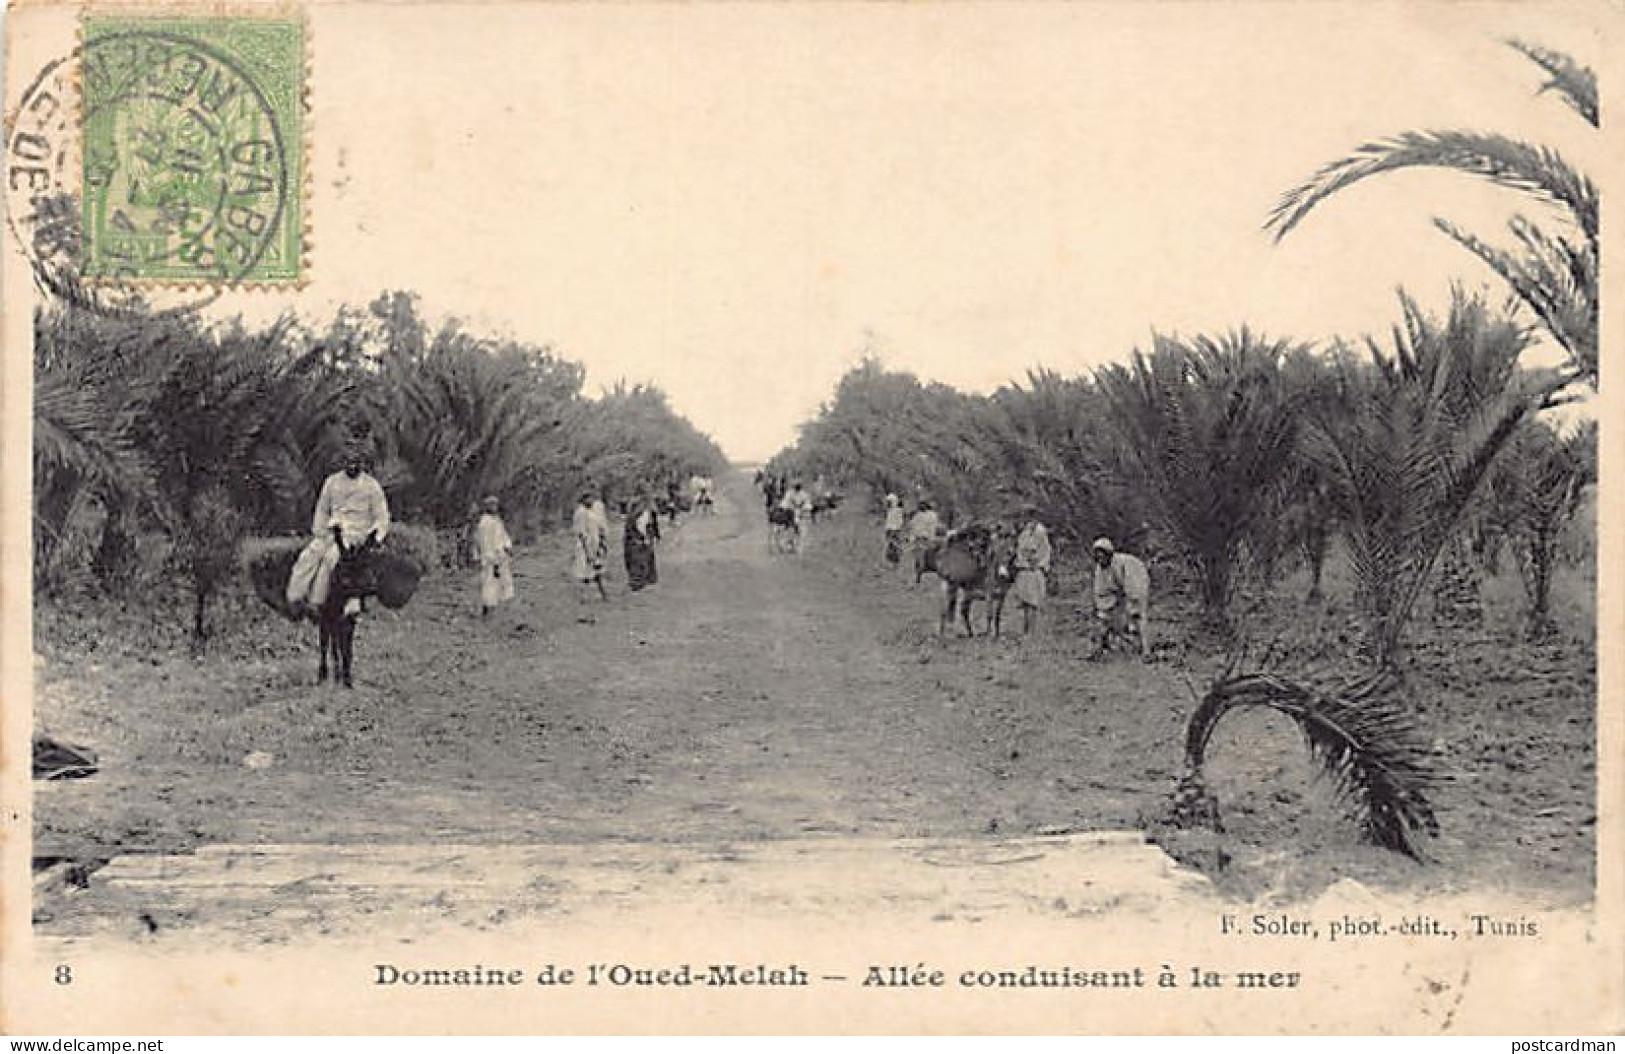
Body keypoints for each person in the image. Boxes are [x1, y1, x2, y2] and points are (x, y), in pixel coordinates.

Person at [287, 445, 390, 618]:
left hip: (356, 535)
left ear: (362, 464)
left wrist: (376, 536)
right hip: (332, 531)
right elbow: (322, 509)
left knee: (331, 558)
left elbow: (381, 516)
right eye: (348, 462)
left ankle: (316, 602)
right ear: (343, 463)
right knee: (308, 556)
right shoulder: (332, 482)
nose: (352, 466)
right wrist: (319, 531)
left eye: (356, 463)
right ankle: (295, 598)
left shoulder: (371, 486)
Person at [1091, 537, 1151, 660]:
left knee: (1137, 615)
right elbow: (1101, 592)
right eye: (1098, 556)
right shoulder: (1100, 569)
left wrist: (1130, 600)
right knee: (1106, 616)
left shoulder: (1126, 563)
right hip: (1118, 586)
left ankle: (1146, 649)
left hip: (1136, 577)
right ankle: (1103, 646)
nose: (1101, 559)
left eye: (1103, 555)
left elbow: (1133, 586)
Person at [1011, 509, 1052, 635]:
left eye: (1030, 516)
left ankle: (1032, 631)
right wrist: (1022, 561)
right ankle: (1024, 630)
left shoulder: (1040, 531)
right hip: (1024, 569)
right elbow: (1019, 549)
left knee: (1033, 601)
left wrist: (1039, 563)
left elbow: (1045, 549)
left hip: (1035, 569)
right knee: (1024, 601)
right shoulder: (1023, 531)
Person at [474, 496, 515, 617]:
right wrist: (493, 557)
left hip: (500, 555)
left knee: (500, 582)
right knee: (489, 582)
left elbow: (503, 536)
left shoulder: (496, 520)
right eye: (491, 505)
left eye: (495, 505)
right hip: (490, 557)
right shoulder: (485, 522)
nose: (494, 507)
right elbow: (485, 542)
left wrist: (507, 546)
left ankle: (496, 606)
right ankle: (487, 607)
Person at [572, 490, 609, 609]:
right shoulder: (581, 513)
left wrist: (600, 543)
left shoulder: (592, 512)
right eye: (589, 499)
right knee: (585, 572)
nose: (592, 501)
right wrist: (588, 551)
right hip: (585, 546)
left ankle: (603, 594)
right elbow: (581, 533)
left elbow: (598, 528)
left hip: (594, 543)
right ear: (584, 500)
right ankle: (583, 596)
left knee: (597, 570)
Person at [624, 492, 661, 591]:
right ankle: (638, 582)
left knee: (639, 559)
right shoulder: (643, 513)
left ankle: (643, 579)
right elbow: (641, 526)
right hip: (639, 538)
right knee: (640, 559)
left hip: (634, 538)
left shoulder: (634, 514)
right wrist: (645, 537)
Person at [779, 481, 814, 552]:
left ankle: (794, 545)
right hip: (790, 514)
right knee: (788, 529)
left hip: (799, 514)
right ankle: (786, 544)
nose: (796, 489)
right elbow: (784, 503)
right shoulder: (789, 494)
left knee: (799, 530)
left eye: (798, 487)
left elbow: (808, 504)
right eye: (795, 487)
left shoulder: (804, 494)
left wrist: (806, 508)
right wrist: (785, 508)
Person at [882, 492, 905, 565]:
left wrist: (894, 531)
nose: (888, 504)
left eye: (889, 502)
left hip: (894, 530)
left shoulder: (897, 510)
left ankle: (895, 563)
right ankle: (891, 563)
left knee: (894, 546)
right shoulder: (890, 510)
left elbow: (898, 522)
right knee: (890, 547)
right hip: (890, 530)